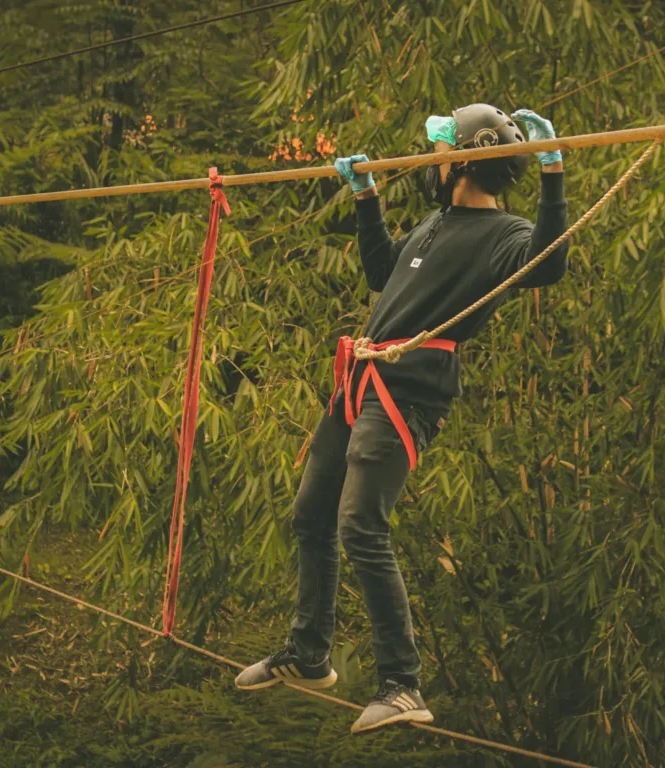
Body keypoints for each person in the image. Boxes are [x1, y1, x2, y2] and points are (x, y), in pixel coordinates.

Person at [234, 103, 570, 734]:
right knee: (311, 514)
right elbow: (380, 273)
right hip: (362, 380)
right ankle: (309, 655)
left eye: (441, 153)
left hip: (410, 389)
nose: (430, 164)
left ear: (464, 161)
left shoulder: (507, 236)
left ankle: (402, 684)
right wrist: (366, 201)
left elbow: (548, 263)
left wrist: (553, 173)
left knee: (361, 525)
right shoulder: (434, 222)